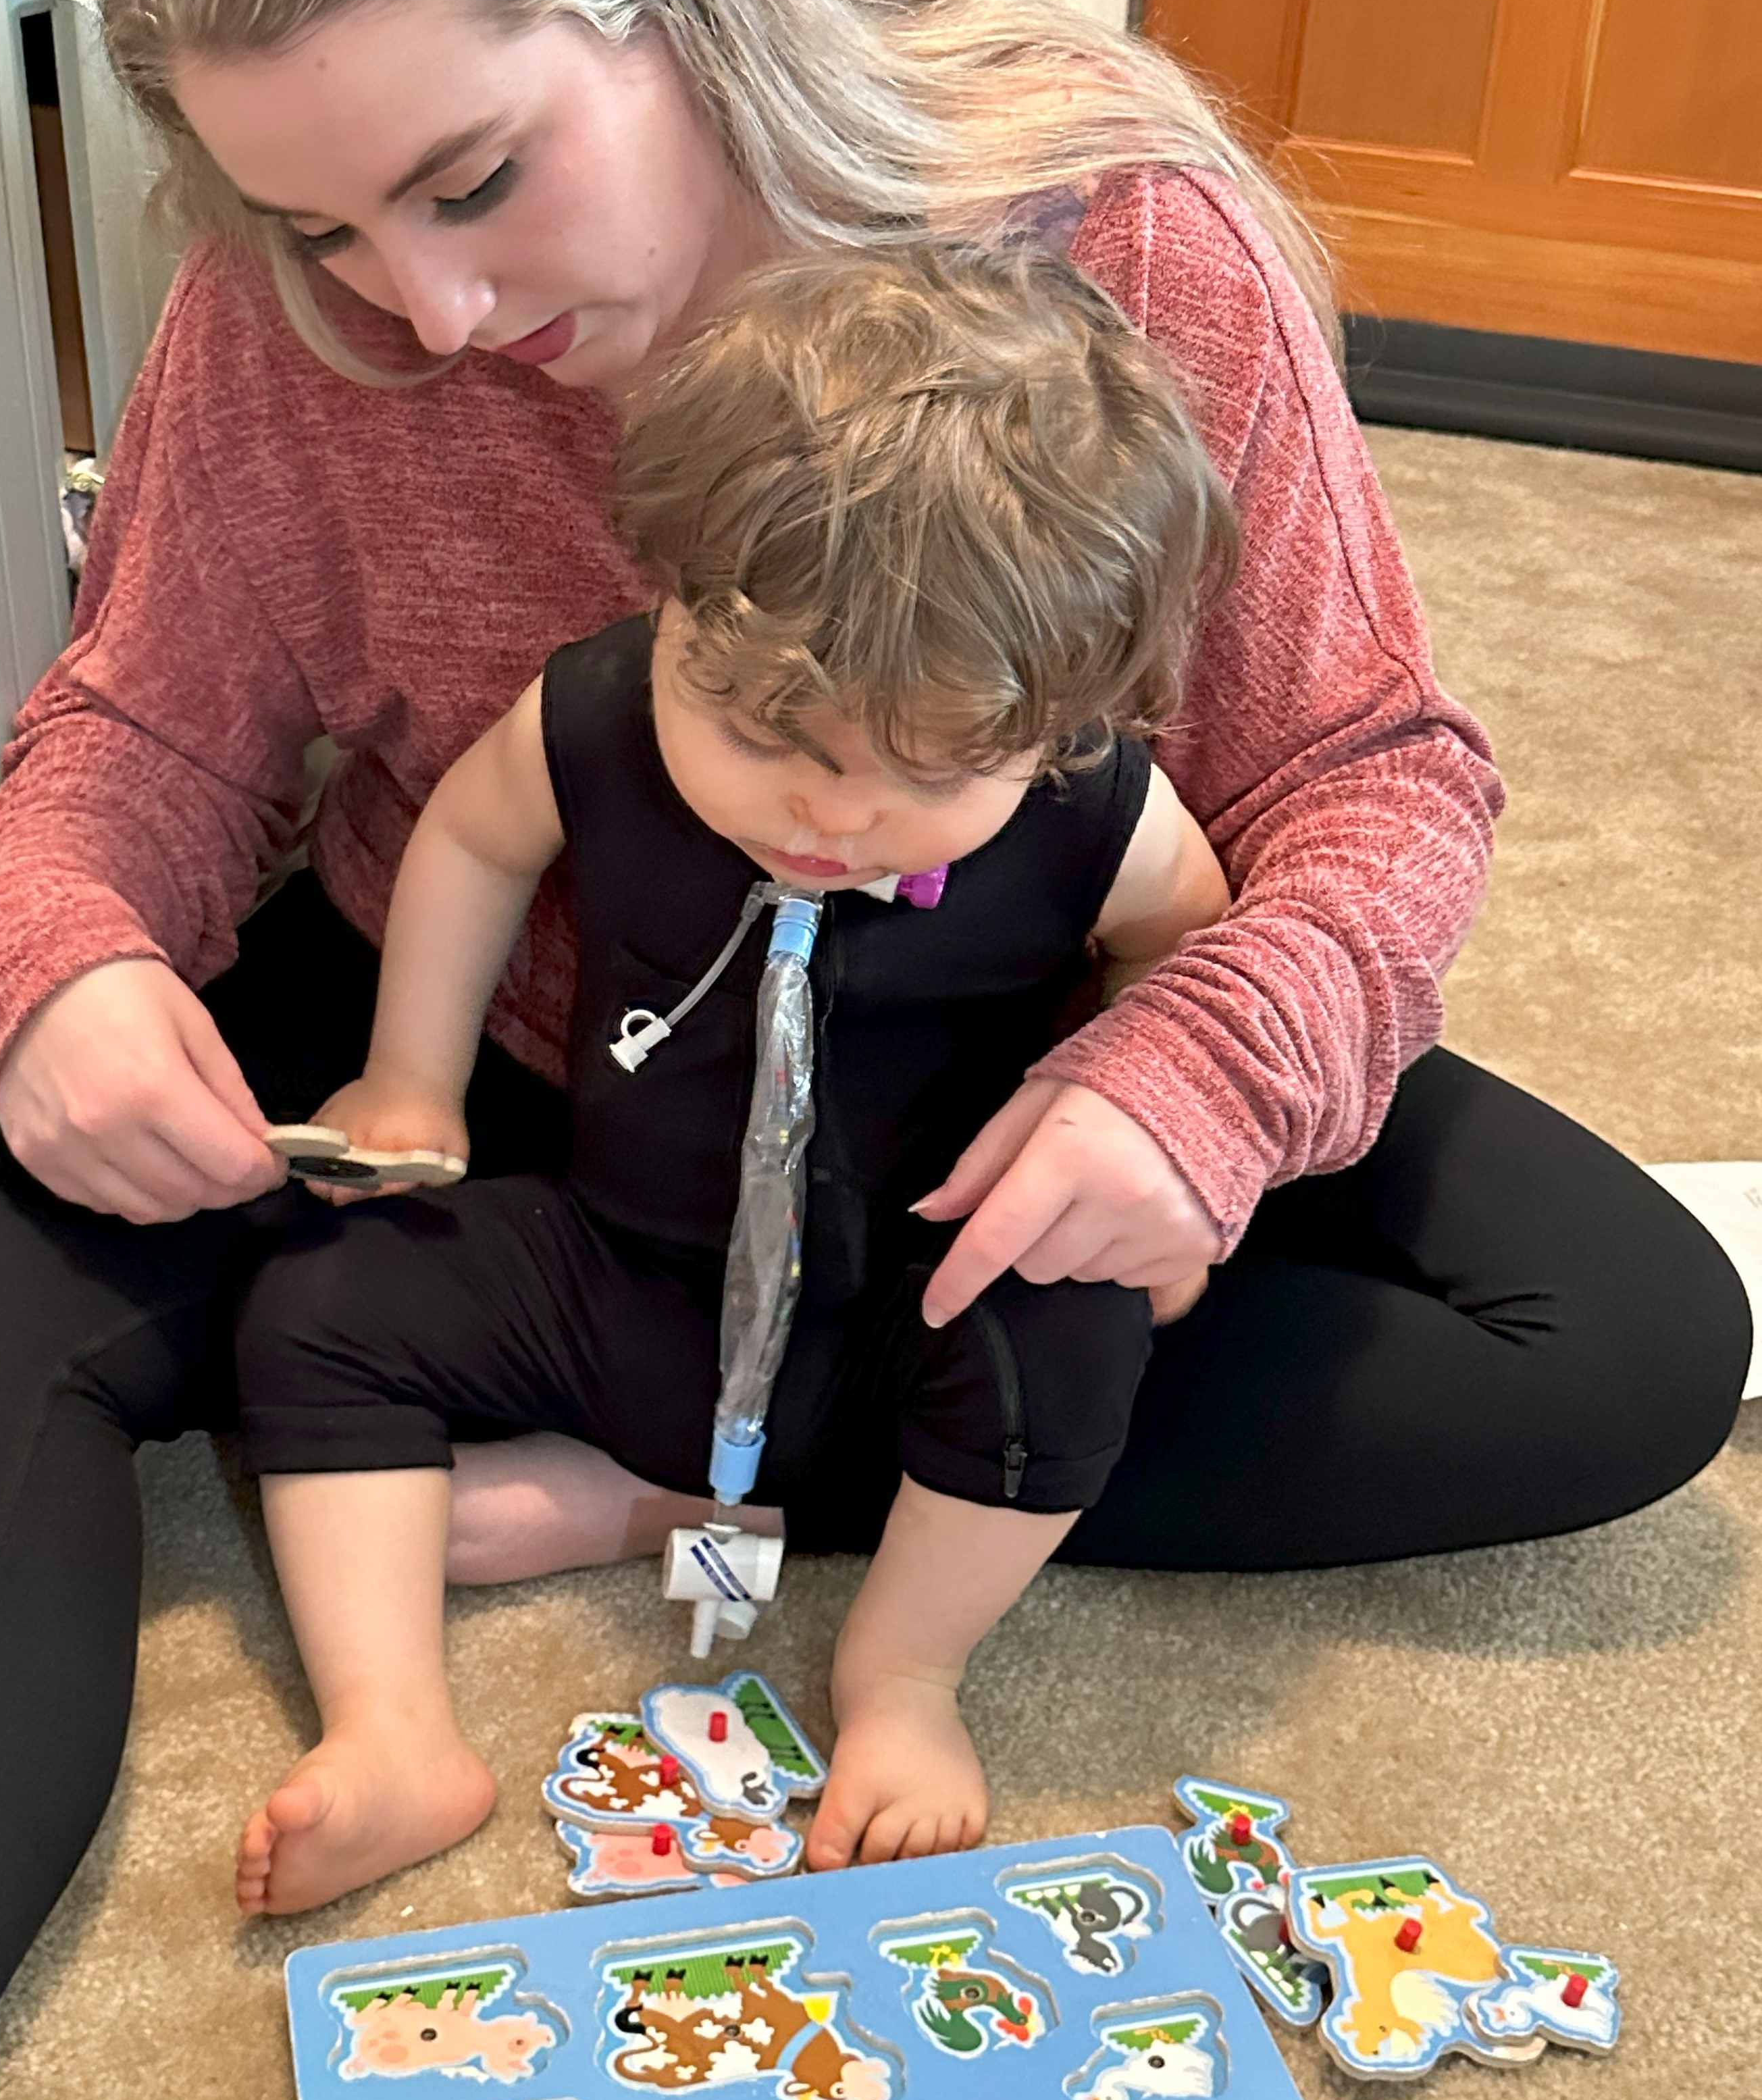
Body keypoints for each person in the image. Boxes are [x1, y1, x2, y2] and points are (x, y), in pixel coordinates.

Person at [0, 0, 1744, 2100]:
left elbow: (1369, 775)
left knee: (1625, 1342)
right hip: (508, 1042)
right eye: (318, 227)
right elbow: (144, 728)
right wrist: (65, 957)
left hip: (955, 1073)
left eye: (474, 180)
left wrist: (1199, 1075)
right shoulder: (300, 316)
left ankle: (687, 1473)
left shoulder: (1112, 230)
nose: (414, 310)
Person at [232, 239, 1234, 1914]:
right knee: (313, 1299)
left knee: (1078, 1342)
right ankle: (395, 1728)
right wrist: (412, 1079)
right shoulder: (603, 713)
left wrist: (1165, 1147)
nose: (825, 816)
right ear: (679, 598)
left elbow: (1190, 957)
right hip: (622, 1267)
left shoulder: (1095, 812)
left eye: (916, 774)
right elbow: (473, 840)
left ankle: (898, 1678)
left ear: (1053, 723)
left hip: (915, 1308)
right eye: (765, 735)